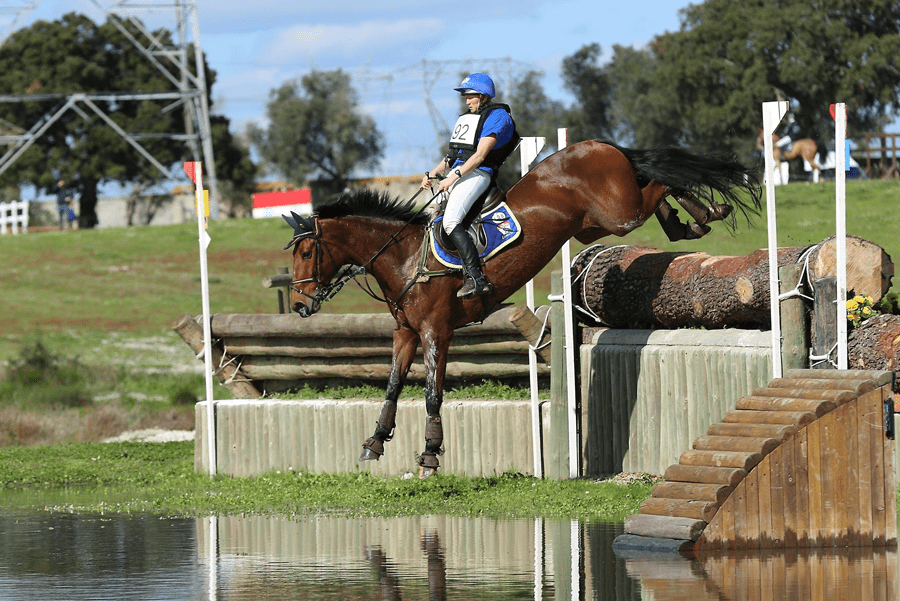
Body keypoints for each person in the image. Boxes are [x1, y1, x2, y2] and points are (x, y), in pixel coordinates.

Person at [420, 73, 519, 299]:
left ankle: (476, 278)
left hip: (478, 174)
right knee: (428, 215)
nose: (467, 101)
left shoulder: (498, 117)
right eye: (465, 97)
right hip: (459, 174)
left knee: (451, 221)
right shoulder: (468, 119)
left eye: (470, 97)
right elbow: (452, 156)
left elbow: (479, 157)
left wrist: (451, 178)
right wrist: (432, 174)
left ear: (483, 96)